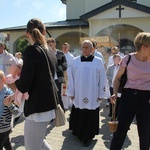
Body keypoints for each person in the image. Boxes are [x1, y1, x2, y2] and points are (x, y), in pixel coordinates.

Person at [6, 18, 58, 150]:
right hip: (47, 105)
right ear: (44, 32)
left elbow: (24, 86)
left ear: (27, 34)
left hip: (37, 109)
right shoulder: (50, 52)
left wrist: (14, 75)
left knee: (32, 147)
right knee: (39, 143)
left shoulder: (31, 51)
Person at [110, 32, 150, 150]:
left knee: (145, 135)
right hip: (128, 98)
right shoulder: (128, 59)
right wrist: (115, 93)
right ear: (144, 47)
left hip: (146, 100)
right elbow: (117, 78)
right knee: (120, 132)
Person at [67, 40, 110, 146]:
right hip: (79, 93)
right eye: (83, 47)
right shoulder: (75, 61)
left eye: (87, 47)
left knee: (90, 113)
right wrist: (71, 92)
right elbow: (71, 78)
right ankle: (78, 133)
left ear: (92, 49)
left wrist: (101, 94)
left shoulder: (98, 61)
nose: (85, 49)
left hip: (93, 93)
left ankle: (88, 136)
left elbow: (102, 79)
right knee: (80, 112)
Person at [0, 70, 19, 150]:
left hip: (4, 127)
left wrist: (9, 105)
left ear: (3, 80)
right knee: (6, 143)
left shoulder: (9, 94)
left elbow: (16, 112)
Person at [47, 38, 67, 112]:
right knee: (51, 97)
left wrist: (56, 67)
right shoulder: (46, 54)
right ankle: (53, 114)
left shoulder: (60, 53)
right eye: (48, 43)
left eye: (51, 43)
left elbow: (65, 66)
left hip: (58, 78)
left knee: (58, 96)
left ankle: (61, 112)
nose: (50, 44)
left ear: (55, 44)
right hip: (49, 78)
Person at [62, 42, 74, 110]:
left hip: (68, 75)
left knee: (67, 89)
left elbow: (72, 67)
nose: (64, 49)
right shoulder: (59, 55)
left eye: (66, 47)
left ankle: (67, 104)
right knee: (61, 90)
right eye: (63, 47)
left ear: (68, 48)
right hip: (61, 75)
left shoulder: (71, 57)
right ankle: (62, 103)